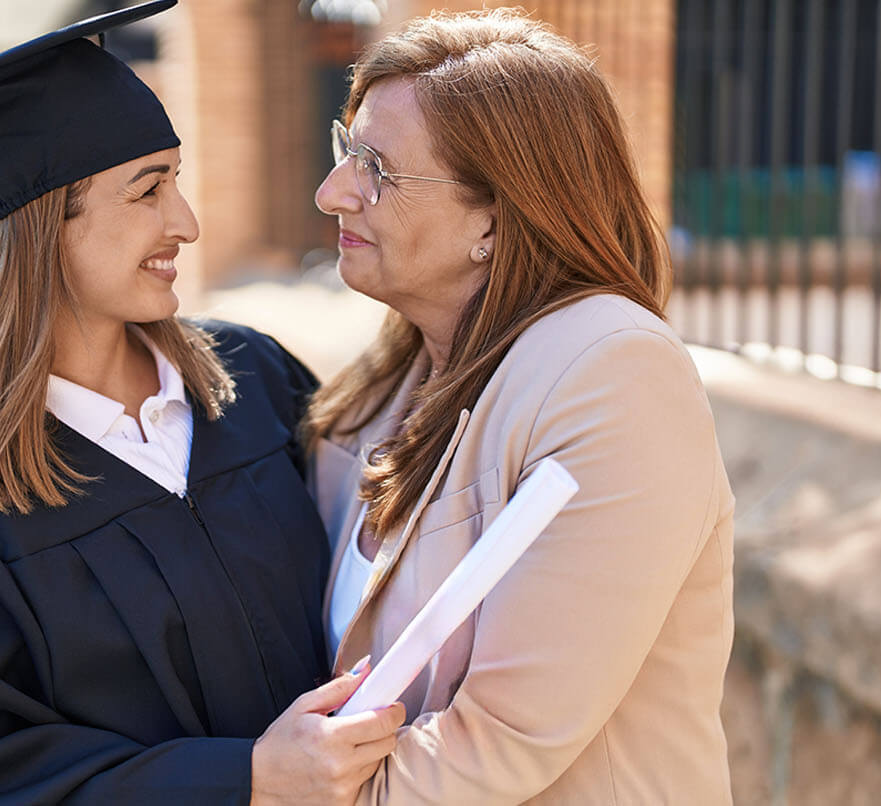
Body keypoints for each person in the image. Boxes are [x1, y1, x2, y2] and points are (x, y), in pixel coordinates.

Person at [0, 2, 404, 803]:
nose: (189, 222)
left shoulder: (253, 378)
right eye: (148, 191)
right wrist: (242, 780)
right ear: (42, 225)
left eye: (179, 180)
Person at [307, 9, 736, 804]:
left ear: (497, 218)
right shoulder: (386, 381)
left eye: (377, 166)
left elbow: (501, 739)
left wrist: (281, 791)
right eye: (345, 150)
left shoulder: (613, 371)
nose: (334, 192)